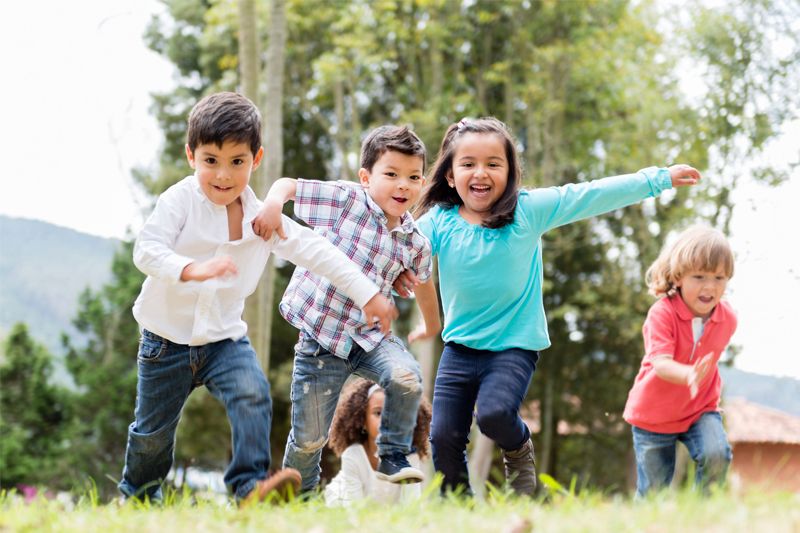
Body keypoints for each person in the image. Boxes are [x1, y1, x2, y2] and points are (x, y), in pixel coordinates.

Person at [396, 117, 701, 496]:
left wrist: (658, 178)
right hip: (459, 349)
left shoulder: (528, 211)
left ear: (510, 172)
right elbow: (400, 250)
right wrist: (392, 281)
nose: (481, 173)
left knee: (493, 415)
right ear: (451, 175)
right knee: (443, 437)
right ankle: (462, 511)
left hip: (513, 346)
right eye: (468, 163)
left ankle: (519, 446)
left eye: (494, 163)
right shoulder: (438, 222)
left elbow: (590, 194)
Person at [119, 92, 396, 506]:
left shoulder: (261, 219)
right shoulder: (179, 200)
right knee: (152, 433)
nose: (223, 175)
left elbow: (319, 252)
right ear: (191, 155)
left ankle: (249, 489)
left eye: (237, 162)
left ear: (256, 158)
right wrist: (191, 269)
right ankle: (137, 496)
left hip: (223, 340)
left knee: (253, 393)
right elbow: (147, 249)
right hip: (165, 342)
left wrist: (368, 293)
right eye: (211, 160)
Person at [251, 124, 441, 493]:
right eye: (391, 175)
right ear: (366, 177)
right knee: (309, 439)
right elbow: (288, 185)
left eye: (413, 177)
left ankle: (392, 452)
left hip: (371, 338)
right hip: (321, 341)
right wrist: (273, 205)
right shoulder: (346, 200)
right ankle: (296, 500)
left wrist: (431, 325)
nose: (403, 185)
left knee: (406, 377)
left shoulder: (414, 240)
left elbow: (424, 283)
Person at [623, 225, 736, 497]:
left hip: (700, 408)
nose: (710, 286)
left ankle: (703, 517)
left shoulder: (727, 319)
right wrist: (688, 374)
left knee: (717, 454)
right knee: (653, 492)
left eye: (719, 278)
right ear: (678, 277)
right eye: (699, 276)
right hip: (654, 415)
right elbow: (660, 364)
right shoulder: (662, 314)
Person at [324, 379, 432, 506]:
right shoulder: (353, 455)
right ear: (363, 421)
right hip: (345, 502)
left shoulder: (409, 457)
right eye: (378, 413)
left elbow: (412, 505)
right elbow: (354, 508)